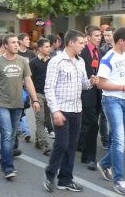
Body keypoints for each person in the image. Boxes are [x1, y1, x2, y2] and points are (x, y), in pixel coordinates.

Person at [43, 29, 99, 193]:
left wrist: (91, 81)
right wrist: (55, 111)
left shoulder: (80, 61)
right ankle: (49, 175)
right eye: (81, 43)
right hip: (62, 110)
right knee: (62, 143)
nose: (84, 46)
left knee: (72, 146)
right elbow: (49, 88)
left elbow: (83, 85)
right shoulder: (57, 61)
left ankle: (65, 180)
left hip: (77, 109)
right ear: (71, 43)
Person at [0, 33, 40, 179]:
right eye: (13, 43)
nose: (16, 45)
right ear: (5, 46)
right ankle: (8, 167)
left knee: (12, 135)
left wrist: (35, 100)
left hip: (18, 104)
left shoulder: (23, 61)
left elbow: (28, 81)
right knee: (7, 134)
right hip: (1, 103)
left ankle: (4, 160)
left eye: (17, 42)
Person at [96, 27, 125, 195]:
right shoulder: (108, 58)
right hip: (112, 101)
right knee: (119, 139)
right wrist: (122, 87)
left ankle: (104, 164)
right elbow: (101, 83)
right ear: (121, 41)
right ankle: (119, 180)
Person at [79, 25, 103, 171]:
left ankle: (84, 152)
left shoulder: (102, 52)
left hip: (99, 94)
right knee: (93, 124)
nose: (99, 38)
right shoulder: (81, 54)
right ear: (88, 37)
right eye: (96, 35)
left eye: (100, 35)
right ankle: (91, 158)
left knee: (88, 124)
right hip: (85, 93)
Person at [29, 38, 52, 155]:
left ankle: (38, 140)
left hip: (49, 94)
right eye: (47, 47)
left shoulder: (52, 62)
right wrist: (33, 98)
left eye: (49, 47)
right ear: (40, 48)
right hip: (37, 94)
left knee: (46, 119)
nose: (49, 49)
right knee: (40, 119)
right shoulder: (33, 63)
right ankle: (44, 144)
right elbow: (29, 81)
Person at [17, 33, 37, 142]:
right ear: (20, 41)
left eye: (29, 39)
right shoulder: (16, 53)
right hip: (18, 85)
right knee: (21, 107)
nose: (29, 41)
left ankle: (19, 128)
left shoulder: (31, 54)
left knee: (23, 106)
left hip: (29, 84)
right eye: (26, 39)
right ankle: (26, 131)